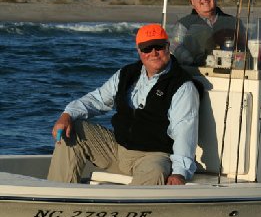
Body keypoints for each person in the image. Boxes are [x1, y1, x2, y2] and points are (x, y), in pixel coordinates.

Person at [47, 23, 200, 186]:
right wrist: (67, 114)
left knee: (154, 171)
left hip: (154, 156)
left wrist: (179, 173)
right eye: (147, 48)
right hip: (118, 150)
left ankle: (133, 210)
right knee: (73, 129)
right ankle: (57, 197)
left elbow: (184, 132)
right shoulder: (127, 74)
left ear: (168, 47)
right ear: (139, 51)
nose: (154, 53)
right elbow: (97, 99)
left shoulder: (183, 86)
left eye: (159, 47)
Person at [170, 0, 246, 66]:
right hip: (196, 75)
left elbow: (245, 50)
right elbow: (175, 46)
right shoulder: (183, 25)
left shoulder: (235, 23)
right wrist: (190, 60)